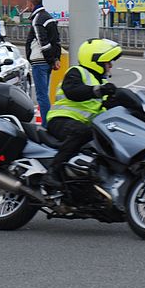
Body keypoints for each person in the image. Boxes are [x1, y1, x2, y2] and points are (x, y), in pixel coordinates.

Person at [42, 38, 122, 191]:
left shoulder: (104, 85)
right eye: (108, 61)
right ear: (96, 61)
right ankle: (52, 172)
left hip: (82, 124)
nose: (111, 65)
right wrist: (97, 91)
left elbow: (109, 106)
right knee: (82, 132)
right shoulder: (76, 72)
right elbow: (73, 91)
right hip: (61, 120)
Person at [24, 0, 61, 127]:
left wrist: (51, 59)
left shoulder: (37, 19)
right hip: (47, 61)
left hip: (40, 62)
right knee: (45, 94)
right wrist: (55, 59)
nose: (26, 6)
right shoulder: (48, 17)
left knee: (42, 96)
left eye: (27, 3)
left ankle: (46, 125)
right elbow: (56, 40)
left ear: (31, 3)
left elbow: (42, 42)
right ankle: (48, 122)